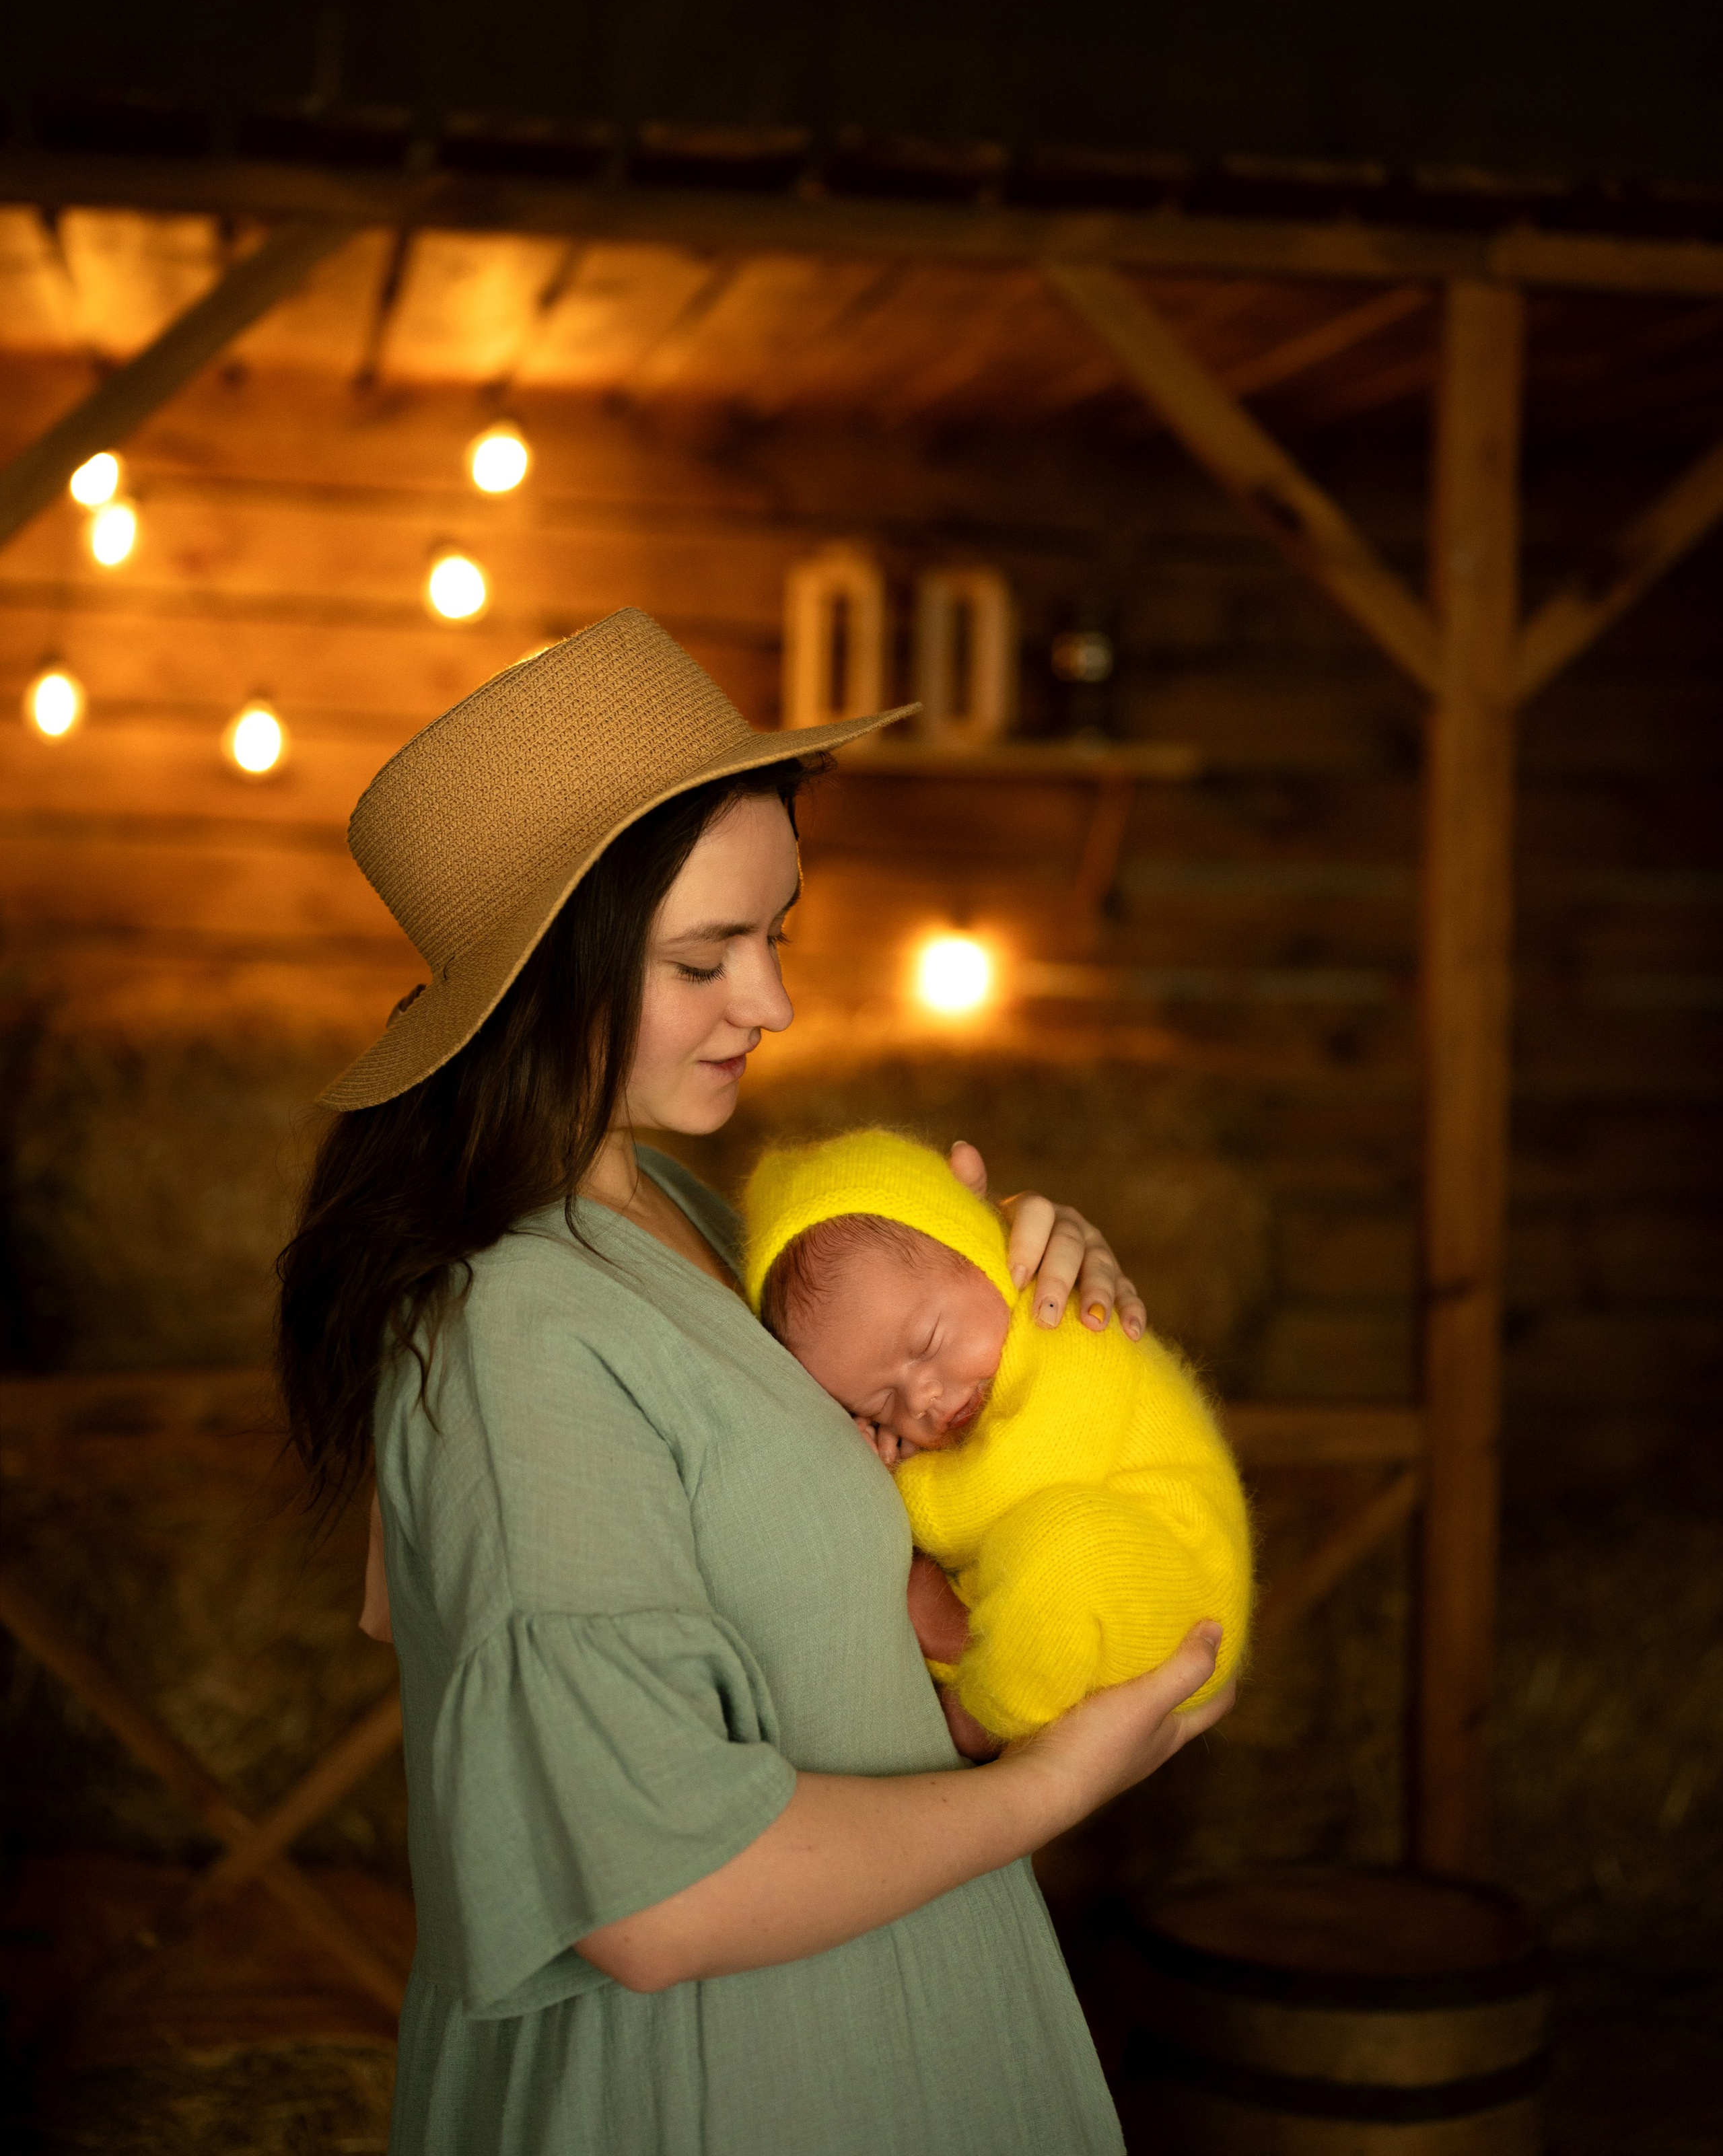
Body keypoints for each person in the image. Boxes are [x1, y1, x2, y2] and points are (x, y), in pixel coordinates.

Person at [277, 608, 1234, 2156]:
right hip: (718, 2086)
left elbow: (881, 1605)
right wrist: (1051, 1790)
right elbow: (652, 1893)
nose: (773, 1001)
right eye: (701, 955)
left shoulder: (706, 1229)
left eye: (776, 931)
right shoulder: (513, 1329)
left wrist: (1034, 1344)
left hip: (892, 2023)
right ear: (539, 975)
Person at [743, 1128, 1253, 1760]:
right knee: (1043, 1562)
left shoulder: (1066, 1328)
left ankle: (982, 1705)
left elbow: (1006, 1490)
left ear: (986, 1254)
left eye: (926, 1341)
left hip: (1175, 1578)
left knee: (1065, 1553)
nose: (922, 1398)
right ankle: (984, 1655)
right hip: (1074, 1600)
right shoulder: (975, 1384)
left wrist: (903, 1486)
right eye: (878, 1403)